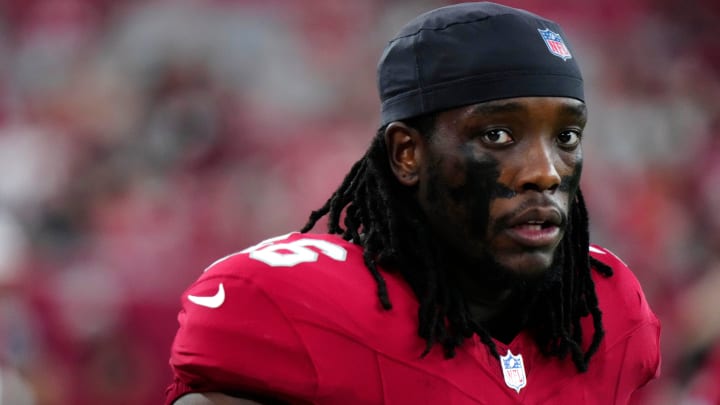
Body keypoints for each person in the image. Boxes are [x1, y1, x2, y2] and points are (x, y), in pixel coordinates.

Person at [165, 2, 661, 404]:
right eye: (498, 134)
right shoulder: (293, 310)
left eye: (567, 136)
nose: (545, 171)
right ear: (408, 153)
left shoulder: (603, 310)